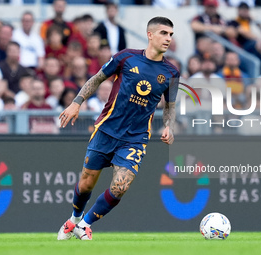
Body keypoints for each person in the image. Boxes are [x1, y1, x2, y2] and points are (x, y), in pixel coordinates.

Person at [57, 16, 179, 241]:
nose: (168, 38)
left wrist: (169, 126)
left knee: (121, 186)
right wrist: (76, 102)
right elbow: (96, 79)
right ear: (150, 34)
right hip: (106, 130)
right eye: (164, 33)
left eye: (171, 34)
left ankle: (85, 224)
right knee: (86, 183)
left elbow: (170, 105)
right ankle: (73, 220)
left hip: (135, 138)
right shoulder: (126, 57)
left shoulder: (171, 73)